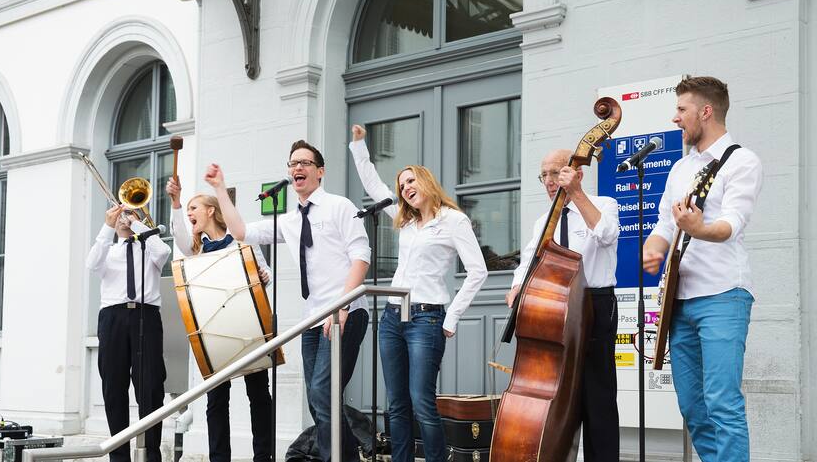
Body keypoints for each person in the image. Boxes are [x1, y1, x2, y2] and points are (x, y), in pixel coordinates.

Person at [204, 140, 371, 462]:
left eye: (305, 163)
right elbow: (240, 232)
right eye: (293, 163)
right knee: (319, 400)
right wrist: (220, 189)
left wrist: (343, 307)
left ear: (320, 172)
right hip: (313, 318)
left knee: (323, 392)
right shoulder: (290, 219)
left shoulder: (340, 206)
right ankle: (347, 456)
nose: (298, 168)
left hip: (346, 312)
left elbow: (361, 256)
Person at [348, 125, 488, 462]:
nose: (405, 188)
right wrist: (359, 146)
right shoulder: (406, 222)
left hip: (426, 319)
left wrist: (451, 318)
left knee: (421, 401)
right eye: (402, 185)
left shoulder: (453, 221)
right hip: (392, 317)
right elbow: (374, 186)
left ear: (426, 181)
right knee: (396, 403)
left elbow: (478, 271)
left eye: (410, 181)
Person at [643, 76, 762, 462]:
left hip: (723, 295)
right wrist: (653, 247)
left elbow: (731, 224)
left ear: (706, 111)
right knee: (693, 406)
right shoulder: (680, 168)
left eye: (682, 109)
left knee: (722, 402)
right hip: (680, 301)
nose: (675, 117)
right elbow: (665, 224)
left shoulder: (741, 161)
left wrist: (699, 229)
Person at [506, 149, 620, 462]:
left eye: (555, 173)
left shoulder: (603, 204)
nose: (548, 181)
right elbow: (530, 259)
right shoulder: (544, 221)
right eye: (543, 175)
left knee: (598, 397)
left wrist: (577, 194)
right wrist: (517, 285)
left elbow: (607, 235)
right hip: (555, 309)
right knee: (559, 394)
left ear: (577, 174)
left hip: (594, 304)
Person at [166, 178, 273, 462]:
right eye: (188, 210)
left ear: (211, 211)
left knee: (259, 394)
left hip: (248, 325)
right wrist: (176, 203)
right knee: (216, 399)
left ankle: (264, 456)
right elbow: (180, 237)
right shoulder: (196, 251)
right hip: (213, 332)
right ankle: (219, 458)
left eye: (194, 208)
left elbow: (265, 272)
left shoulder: (241, 239)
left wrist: (265, 276)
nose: (190, 213)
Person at [86, 205, 171, 462]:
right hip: (112, 318)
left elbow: (164, 251)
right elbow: (92, 264)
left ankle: (151, 454)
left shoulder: (150, 247)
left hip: (146, 315)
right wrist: (108, 225)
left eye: (130, 213)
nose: (124, 218)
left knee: (151, 387)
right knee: (114, 386)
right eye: (121, 215)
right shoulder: (108, 249)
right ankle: (119, 456)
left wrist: (137, 224)